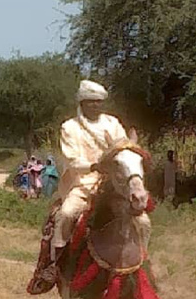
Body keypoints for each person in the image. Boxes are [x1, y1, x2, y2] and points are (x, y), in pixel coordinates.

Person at [53, 79, 148, 259]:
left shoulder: (112, 123)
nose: (96, 105)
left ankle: (142, 260)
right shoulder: (69, 127)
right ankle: (56, 261)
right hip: (83, 185)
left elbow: (124, 148)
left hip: (114, 183)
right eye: (91, 101)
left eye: (99, 101)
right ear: (82, 103)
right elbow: (72, 161)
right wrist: (95, 166)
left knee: (143, 221)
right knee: (66, 214)